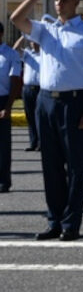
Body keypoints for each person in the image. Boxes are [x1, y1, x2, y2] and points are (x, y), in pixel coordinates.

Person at [10, 0, 83, 241]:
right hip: (46, 102)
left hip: (75, 103)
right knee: (51, 165)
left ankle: (71, 223)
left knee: (76, 166)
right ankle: (54, 220)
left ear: (76, 2)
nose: (59, 3)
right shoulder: (45, 29)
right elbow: (16, 18)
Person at [0, 29, 21, 193]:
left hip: (2, 100)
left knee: (3, 145)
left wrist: (8, 107)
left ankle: (3, 180)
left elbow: (15, 82)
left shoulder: (10, 54)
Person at [14, 37, 40, 153]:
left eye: (35, 41)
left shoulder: (45, 54)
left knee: (39, 117)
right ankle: (33, 142)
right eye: (31, 41)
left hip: (40, 88)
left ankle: (41, 143)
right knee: (30, 117)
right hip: (28, 88)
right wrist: (24, 36)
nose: (33, 43)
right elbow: (15, 49)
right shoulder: (28, 54)